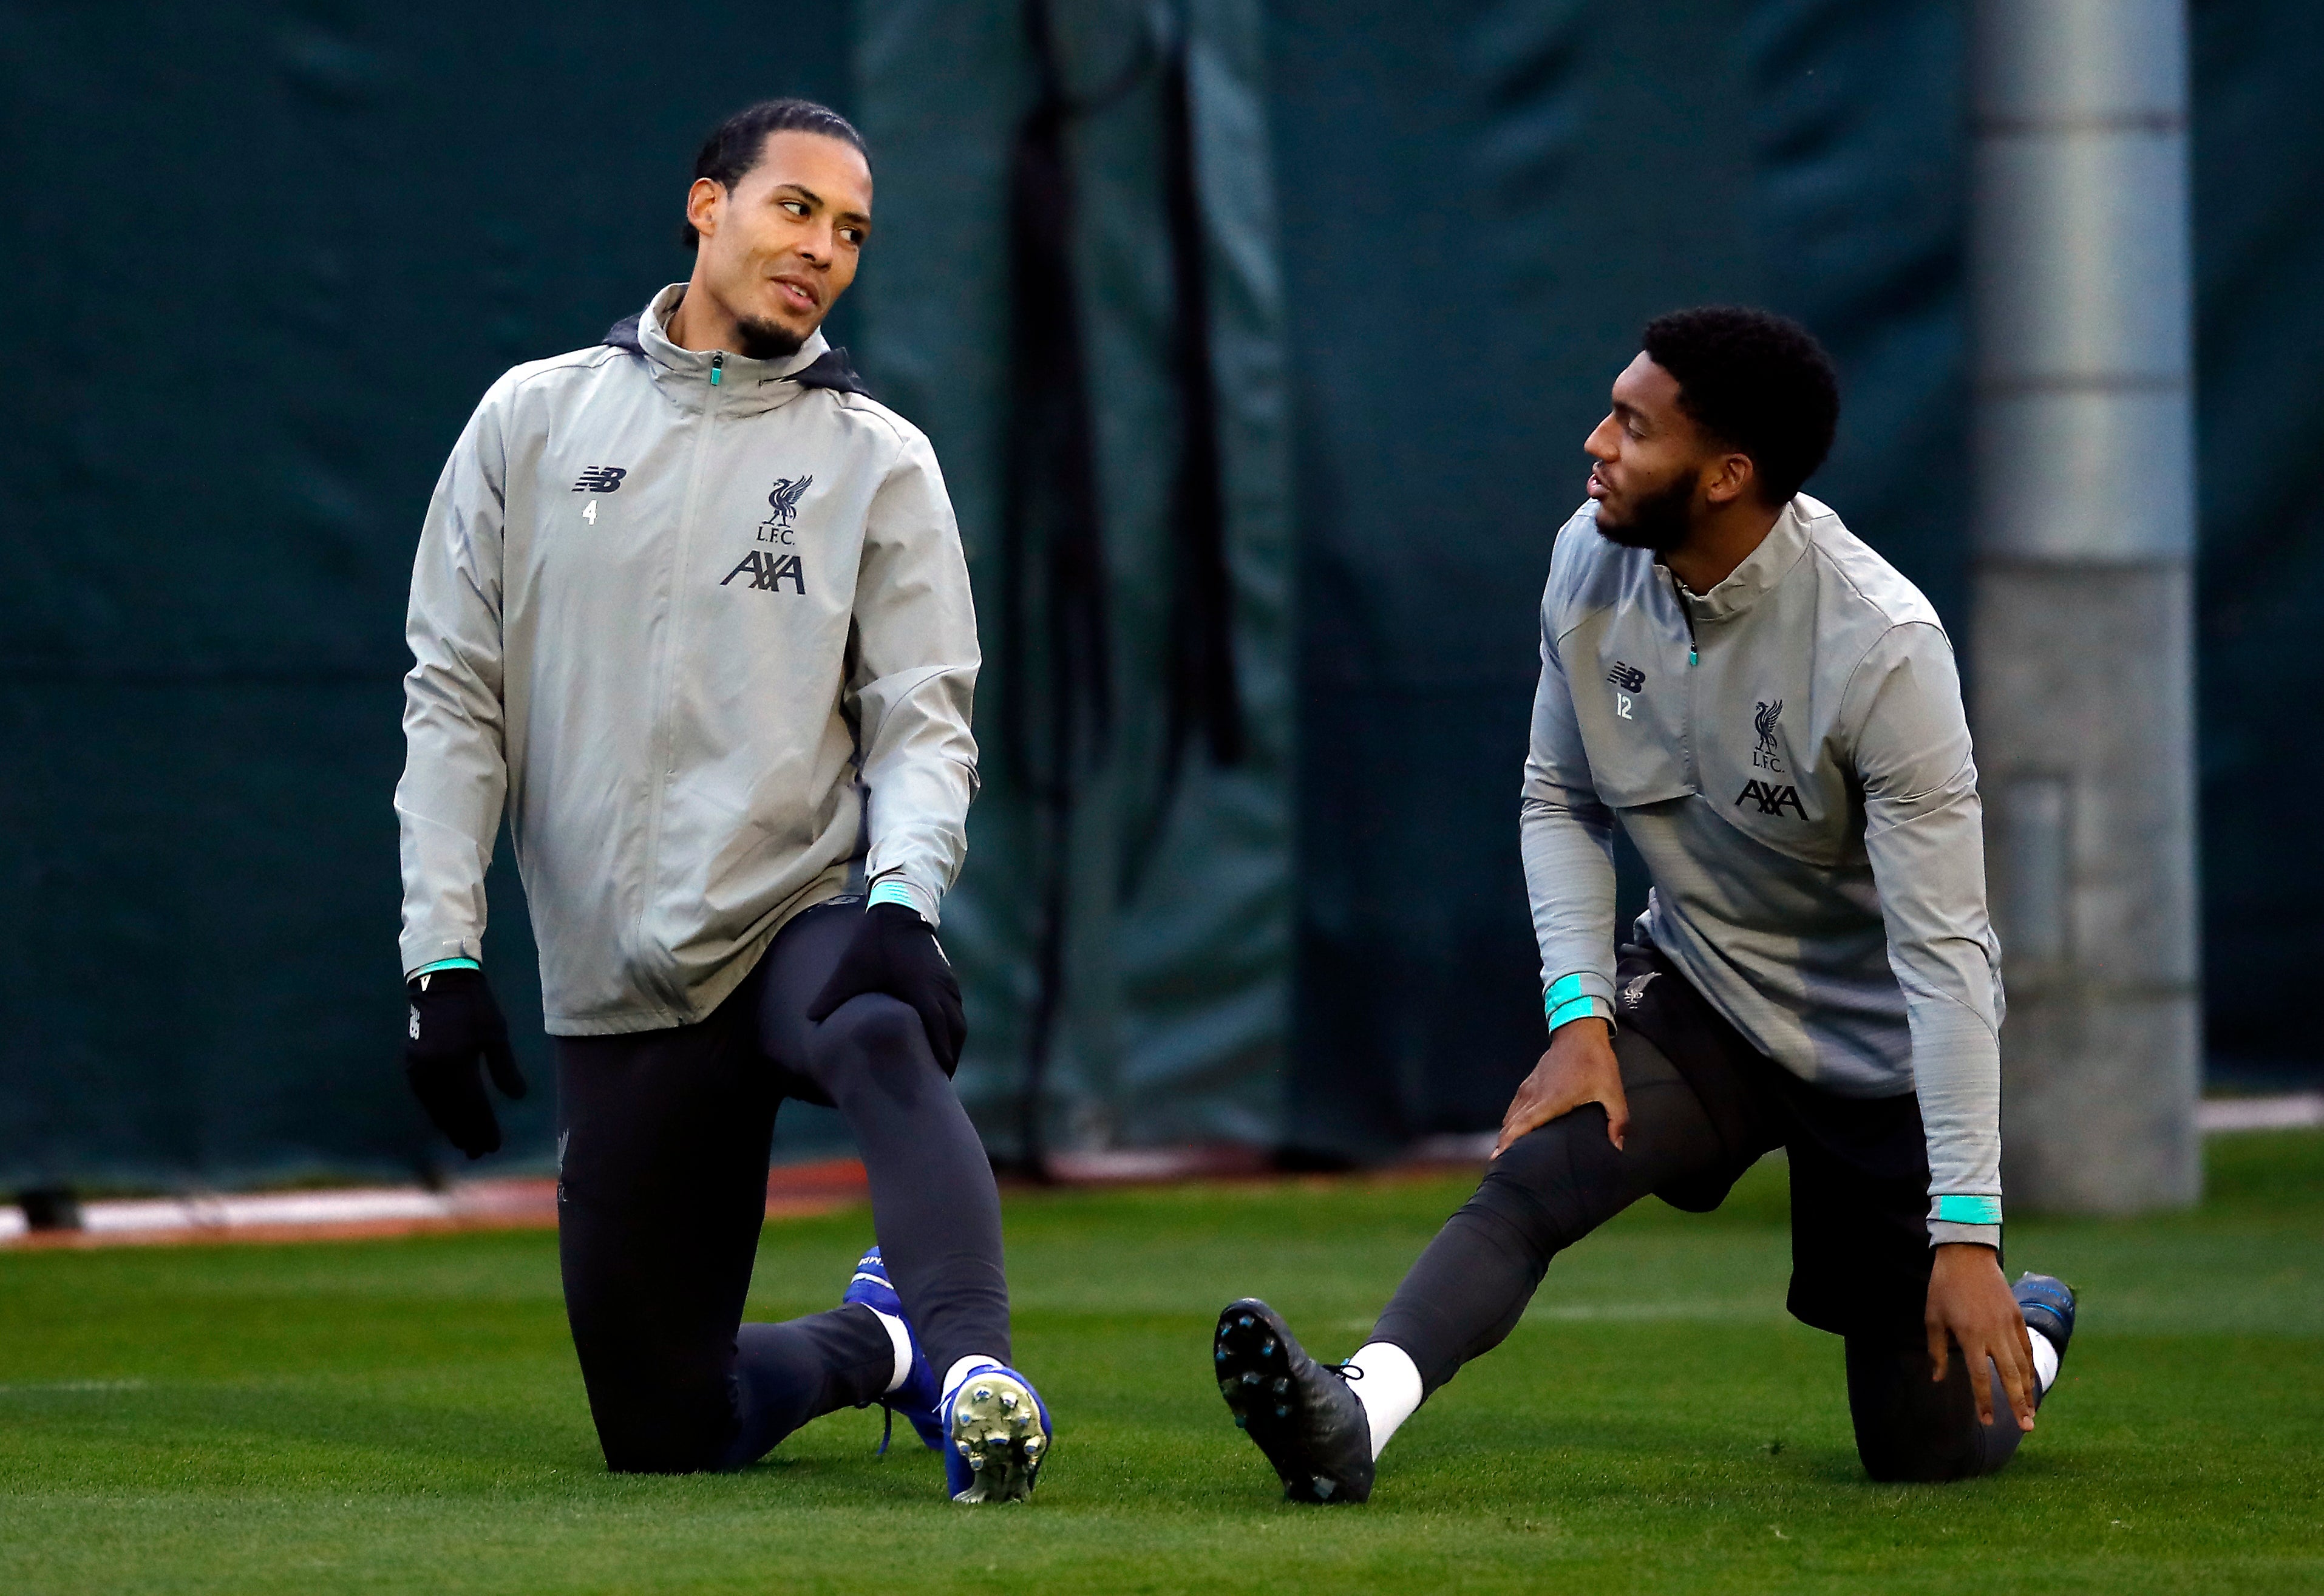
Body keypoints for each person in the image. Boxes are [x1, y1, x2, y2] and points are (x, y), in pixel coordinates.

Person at [1213, 307, 2074, 1503]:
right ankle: (1353, 1414)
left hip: (1880, 1063)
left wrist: (1968, 1230)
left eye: (1633, 424)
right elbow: (1560, 796)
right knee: (1533, 1181)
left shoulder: (1884, 648)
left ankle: (2029, 1334)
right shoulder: (1591, 554)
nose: (1596, 443)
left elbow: (1948, 960)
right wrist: (1580, 1014)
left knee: (1919, 1456)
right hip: (1708, 999)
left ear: (1728, 476)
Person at [393, 98, 1048, 1503]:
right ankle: (878, 1346)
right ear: (708, 206)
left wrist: (902, 899)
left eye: (854, 232)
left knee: (879, 1024)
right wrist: (441, 955)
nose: (823, 249)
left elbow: (925, 718)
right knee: (661, 1431)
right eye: (795, 208)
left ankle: (982, 1370)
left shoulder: (882, 458)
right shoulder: (531, 415)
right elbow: (455, 701)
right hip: (621, 978)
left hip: (797, 913)